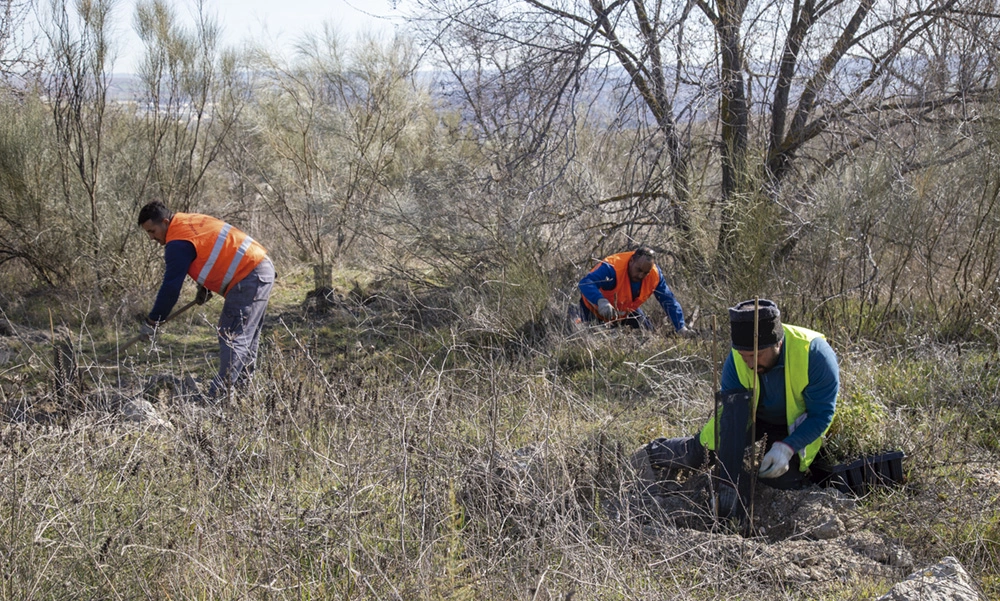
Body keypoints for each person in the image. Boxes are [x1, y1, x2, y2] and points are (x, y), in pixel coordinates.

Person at [644, 299, 839, 499]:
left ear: (778, 343)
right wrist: (727, 482)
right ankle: (653, 451)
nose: (750, 363)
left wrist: (788, 447)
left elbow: (821, 414)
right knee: (698, 453)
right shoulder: (736, 359)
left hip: (792, 427)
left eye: (758, 354)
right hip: (747, 416)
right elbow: (733, 418)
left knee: (778, 480)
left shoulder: (815, 355)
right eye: (744, 355)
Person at [137, 201, 275, 401]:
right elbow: (210, 249)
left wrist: (153, 321)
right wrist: (204, 286)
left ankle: (216, 399)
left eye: (153, 231)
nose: (151, 237)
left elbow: (170, 288)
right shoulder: (189, 221)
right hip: (258, 269)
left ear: (165, 222)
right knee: (245, 339)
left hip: (249, 276)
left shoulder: (177, 242)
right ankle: (245, 397)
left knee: (232, 337)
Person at [575, 247, 693, 335]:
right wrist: (600, 301)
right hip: (592, 310)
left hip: (624, 311)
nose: (641, 275)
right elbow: (586, 282)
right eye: (638, 270)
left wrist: (681, 327)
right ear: (631, 261)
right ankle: (574, 315)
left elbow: (668, 300)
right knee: (588, 338)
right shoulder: (612, 267)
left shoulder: (655, 275)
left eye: (645, 272)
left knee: (649, 335)